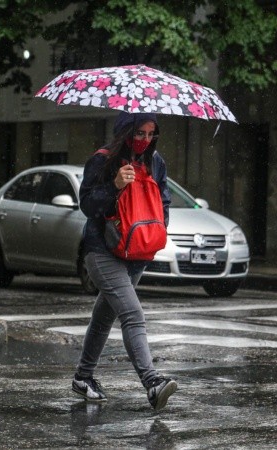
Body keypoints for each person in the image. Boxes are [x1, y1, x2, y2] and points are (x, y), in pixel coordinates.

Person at [71, 111, 177, 411]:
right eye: (139, 133)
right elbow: (87, 205)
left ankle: (83, 377)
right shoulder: (102, 160)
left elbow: (164, 201)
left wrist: (155, 229)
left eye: (150, 134)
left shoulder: (155, 162)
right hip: (102, 250)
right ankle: (152, 382)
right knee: (132, 313)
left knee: (104, 317)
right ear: (125, 133)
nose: (145, 139)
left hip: (137, 251)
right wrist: (115, 185)